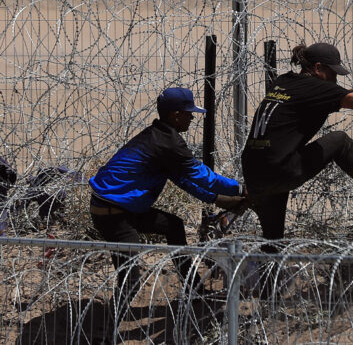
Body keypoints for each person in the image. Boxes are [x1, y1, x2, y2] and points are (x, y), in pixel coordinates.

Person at [241, 42, 353, 254]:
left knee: (272, 243)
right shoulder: (314, 88)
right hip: (282, 169)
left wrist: (352, 91)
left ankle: (267, 285)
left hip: (254, 175)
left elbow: (319, 100)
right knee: (339, 140)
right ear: (318, 68)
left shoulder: (284, 82)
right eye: (333, 73)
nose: (335, 79)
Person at [89, 87, 245, 310]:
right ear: (176, 115)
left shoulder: (159, 137)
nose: (192, 117)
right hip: (114, 214)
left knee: (174, 226)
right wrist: (239, 189)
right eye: (189, 113)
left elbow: (184, 180)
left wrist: (217, 199)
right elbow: (203, 177)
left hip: (121, 207)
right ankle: (106, 334)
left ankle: (196, 292)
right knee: (130, 278)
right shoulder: (167, 143)